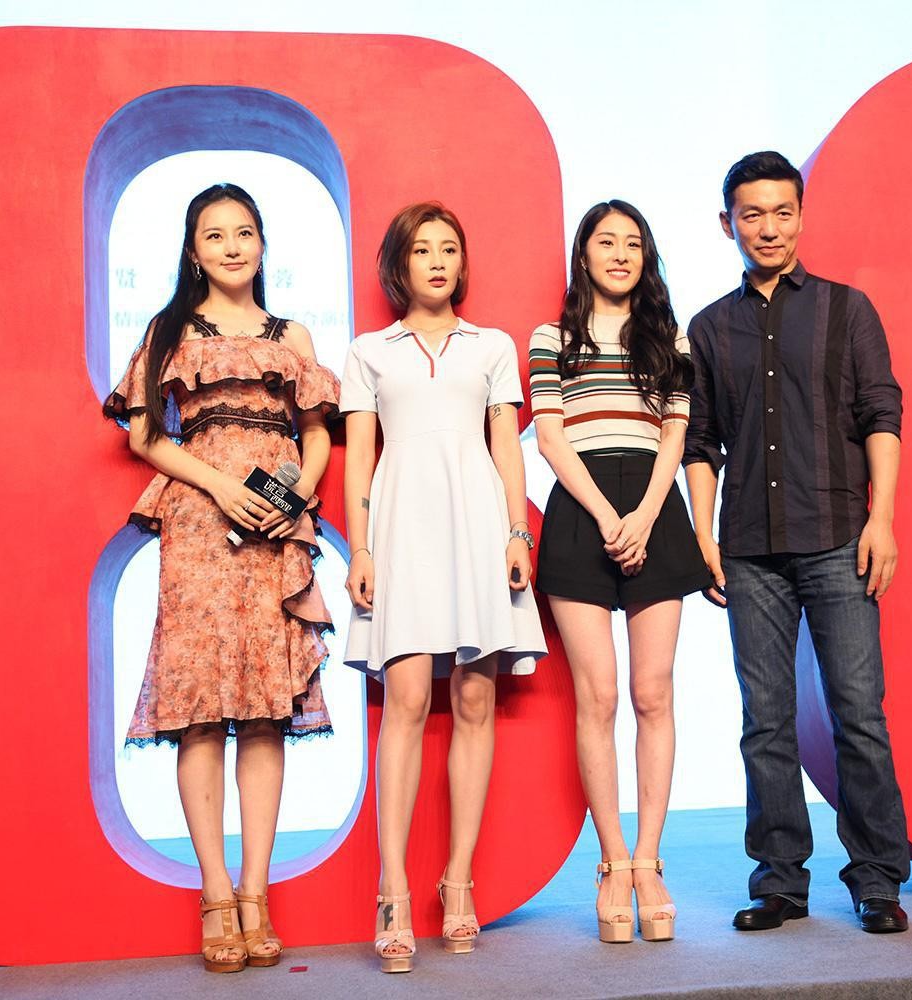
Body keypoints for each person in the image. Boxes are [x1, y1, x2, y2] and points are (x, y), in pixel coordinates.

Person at [102, 183, 340, 971]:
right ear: (193, 251)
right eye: (215, 235)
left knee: (266, 712)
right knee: (203, 710)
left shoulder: (291, 334)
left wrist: (296, 496)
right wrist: (220, 487)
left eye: (245, 232)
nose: (233, 247)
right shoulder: (170, 329)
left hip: (274, 528)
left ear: (262, 244)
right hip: (202, 527)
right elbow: (144, 439)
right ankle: (214, 896)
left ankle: (255, 894)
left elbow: (315, 433)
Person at [683, 152, 912, 934]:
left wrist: (883, 519)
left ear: (802, 216)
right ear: (728, 225)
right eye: (752, 214)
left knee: (859, 713)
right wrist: (705, 535)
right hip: (749, 548)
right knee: (766, 722)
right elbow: (701, 442)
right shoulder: (709, 328)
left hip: (840, 537)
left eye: (782, 212)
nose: (769, 228)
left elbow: (882, 414)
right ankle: (779, 881)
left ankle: (877, 880)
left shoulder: (848, 310)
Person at [339, 201, 546, 973]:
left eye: (448, 248)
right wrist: (361, 549)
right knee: (404, 701)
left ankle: (458, 883)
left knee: (474, 699)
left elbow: (507, 447)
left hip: (477, 525)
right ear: (400, 264)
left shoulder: (492, 347)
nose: (436, 260)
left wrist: (517, 532)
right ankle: (392, 890)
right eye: (422, 249)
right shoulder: (369, 352)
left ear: (462, 262)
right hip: (401, 530)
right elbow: (359, 459)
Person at [529, 200, 712, 944]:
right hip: (583, 510)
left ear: (646, 257)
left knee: (652, 692)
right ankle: (610, 864)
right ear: (584, 254)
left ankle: (648, 861)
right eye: (606, 241)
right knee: (598, 695)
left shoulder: (669, 337)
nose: (619, 254)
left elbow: (675, 433)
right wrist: (609, 518)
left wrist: (644, 515)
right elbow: (549, 437)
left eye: (632, 243)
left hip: (655, 510)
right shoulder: (552, 338)